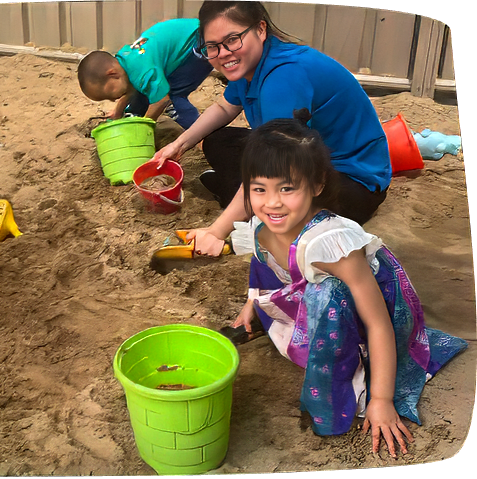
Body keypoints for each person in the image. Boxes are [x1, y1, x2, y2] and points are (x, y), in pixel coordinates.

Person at [231, 110, 467, 458]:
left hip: (373, 304)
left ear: (317, 185)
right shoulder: (263, 226)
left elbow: (378, 323)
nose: (272, 202)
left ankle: (346, 382)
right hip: (317, 294)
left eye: (287, 188)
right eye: (259, 189)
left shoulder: (332, 245)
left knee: (329, 292)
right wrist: (253, 302)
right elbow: (264, 266)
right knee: (314, 290)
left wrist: (382, 399)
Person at [153, 1, 391, 255]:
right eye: (212, 47)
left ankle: (243, 207)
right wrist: (178, 144)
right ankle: (243, 200)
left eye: (232, 40)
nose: (223, 53)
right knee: (218, 141)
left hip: (350, 183)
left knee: (282, 207)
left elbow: (273, 166)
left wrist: (215, 232)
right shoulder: (251, 63)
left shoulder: (283, 77)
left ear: (261, 29)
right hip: (305, 157)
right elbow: (224, 108)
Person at [77, 17, 215, 129]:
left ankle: (202, 133)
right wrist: (118, 111)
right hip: (189, 35)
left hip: (200, 43)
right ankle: (134, 114)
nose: (113, 100)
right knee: (144, 89)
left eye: (108, 94)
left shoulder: (142, 71)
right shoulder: (124, 59)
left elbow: (162, 100)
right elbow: (131, 86)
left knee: (171, 97)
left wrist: (145, 125)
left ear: (112, 74)